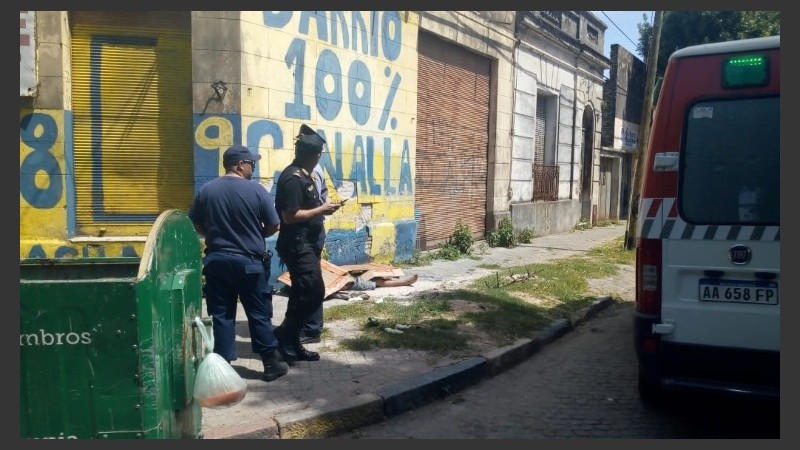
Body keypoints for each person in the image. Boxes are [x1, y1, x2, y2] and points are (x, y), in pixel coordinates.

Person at [188, 144, 289, 382]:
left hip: (217, 262)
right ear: (239, 165)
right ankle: (270, 363)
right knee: (258, 312)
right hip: (249, 264)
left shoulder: (206, 190)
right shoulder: (257, 191)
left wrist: (215, 233)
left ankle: (223, 369)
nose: (253, 167)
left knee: (221, 314)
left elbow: (196, 224)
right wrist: (256, 234)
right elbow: (274, 224)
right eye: (251, 164)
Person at [273, 124, 343, 365]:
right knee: (314, 291)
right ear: (314, 155)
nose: (318, 158)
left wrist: (324, 210)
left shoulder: (305, 175)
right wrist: (322, 209)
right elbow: (289, 217)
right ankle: (284, 334)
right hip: (297, 245)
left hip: (308, 244)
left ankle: (292, 340)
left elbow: (308, 210)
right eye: (318, 154)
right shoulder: (292, 179)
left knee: (303, 293)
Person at [298, 163, 328, 344]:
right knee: (308, 279)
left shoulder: (312, 171)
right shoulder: (308, 171)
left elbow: (317, 203)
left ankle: (312, 328)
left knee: (311, 279)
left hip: (310, 232)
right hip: (310, 231)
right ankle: (308, 326)